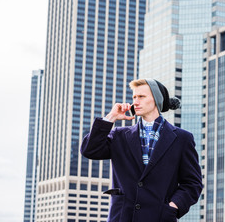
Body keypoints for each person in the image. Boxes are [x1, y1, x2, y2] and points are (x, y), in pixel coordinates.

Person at [81, 78, 203, 222]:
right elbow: (90, 150)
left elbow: (192, 183)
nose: (135, 102)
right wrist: (111, 117)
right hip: (122, 217)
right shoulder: (119, 135)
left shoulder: (182, 138)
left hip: (160, 217)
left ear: (157, 100)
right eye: (134, 97)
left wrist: (172, 207)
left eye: (141, 96)